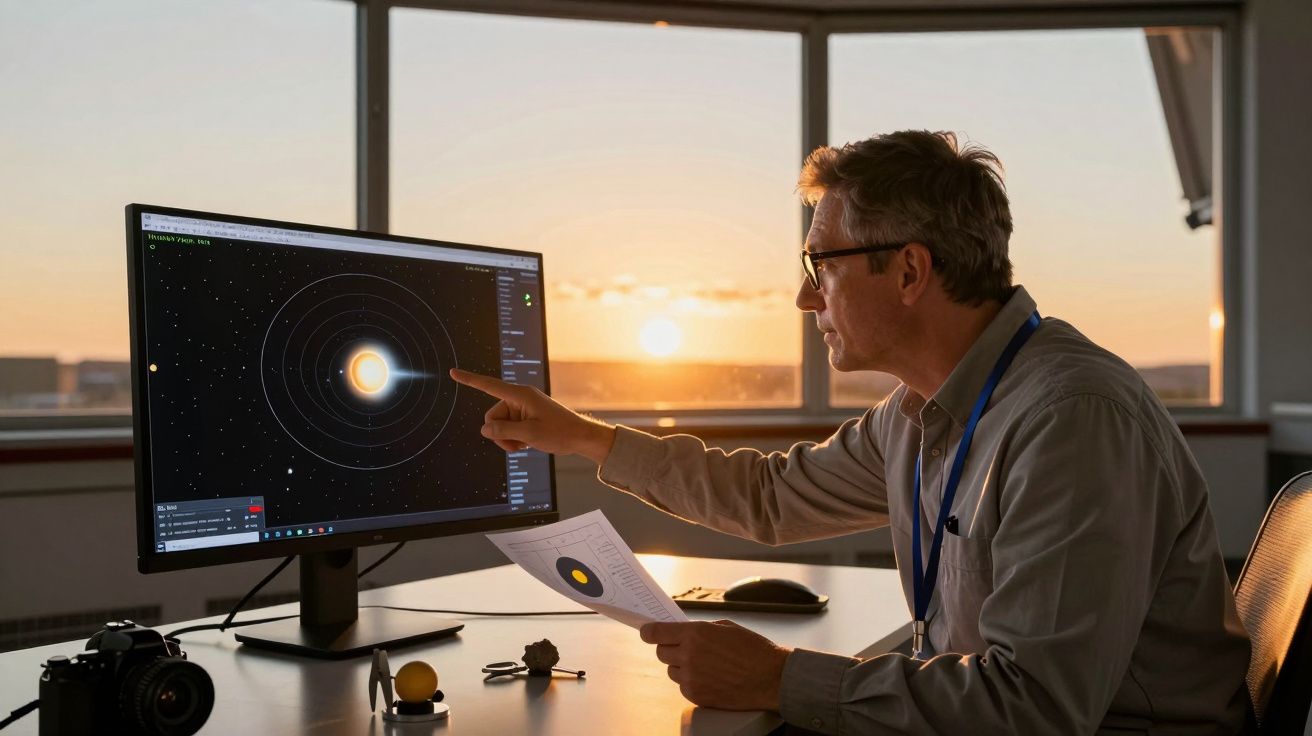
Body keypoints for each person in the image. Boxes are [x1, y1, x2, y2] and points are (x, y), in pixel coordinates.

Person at [449, 130, 1251, 734]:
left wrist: (780, 679)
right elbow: (771, 497)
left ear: (908, 271)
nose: (807, 299)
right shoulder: (921, 412)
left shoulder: (1071, 421)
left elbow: (1035, 708)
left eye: (820, 264)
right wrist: (584, 437)